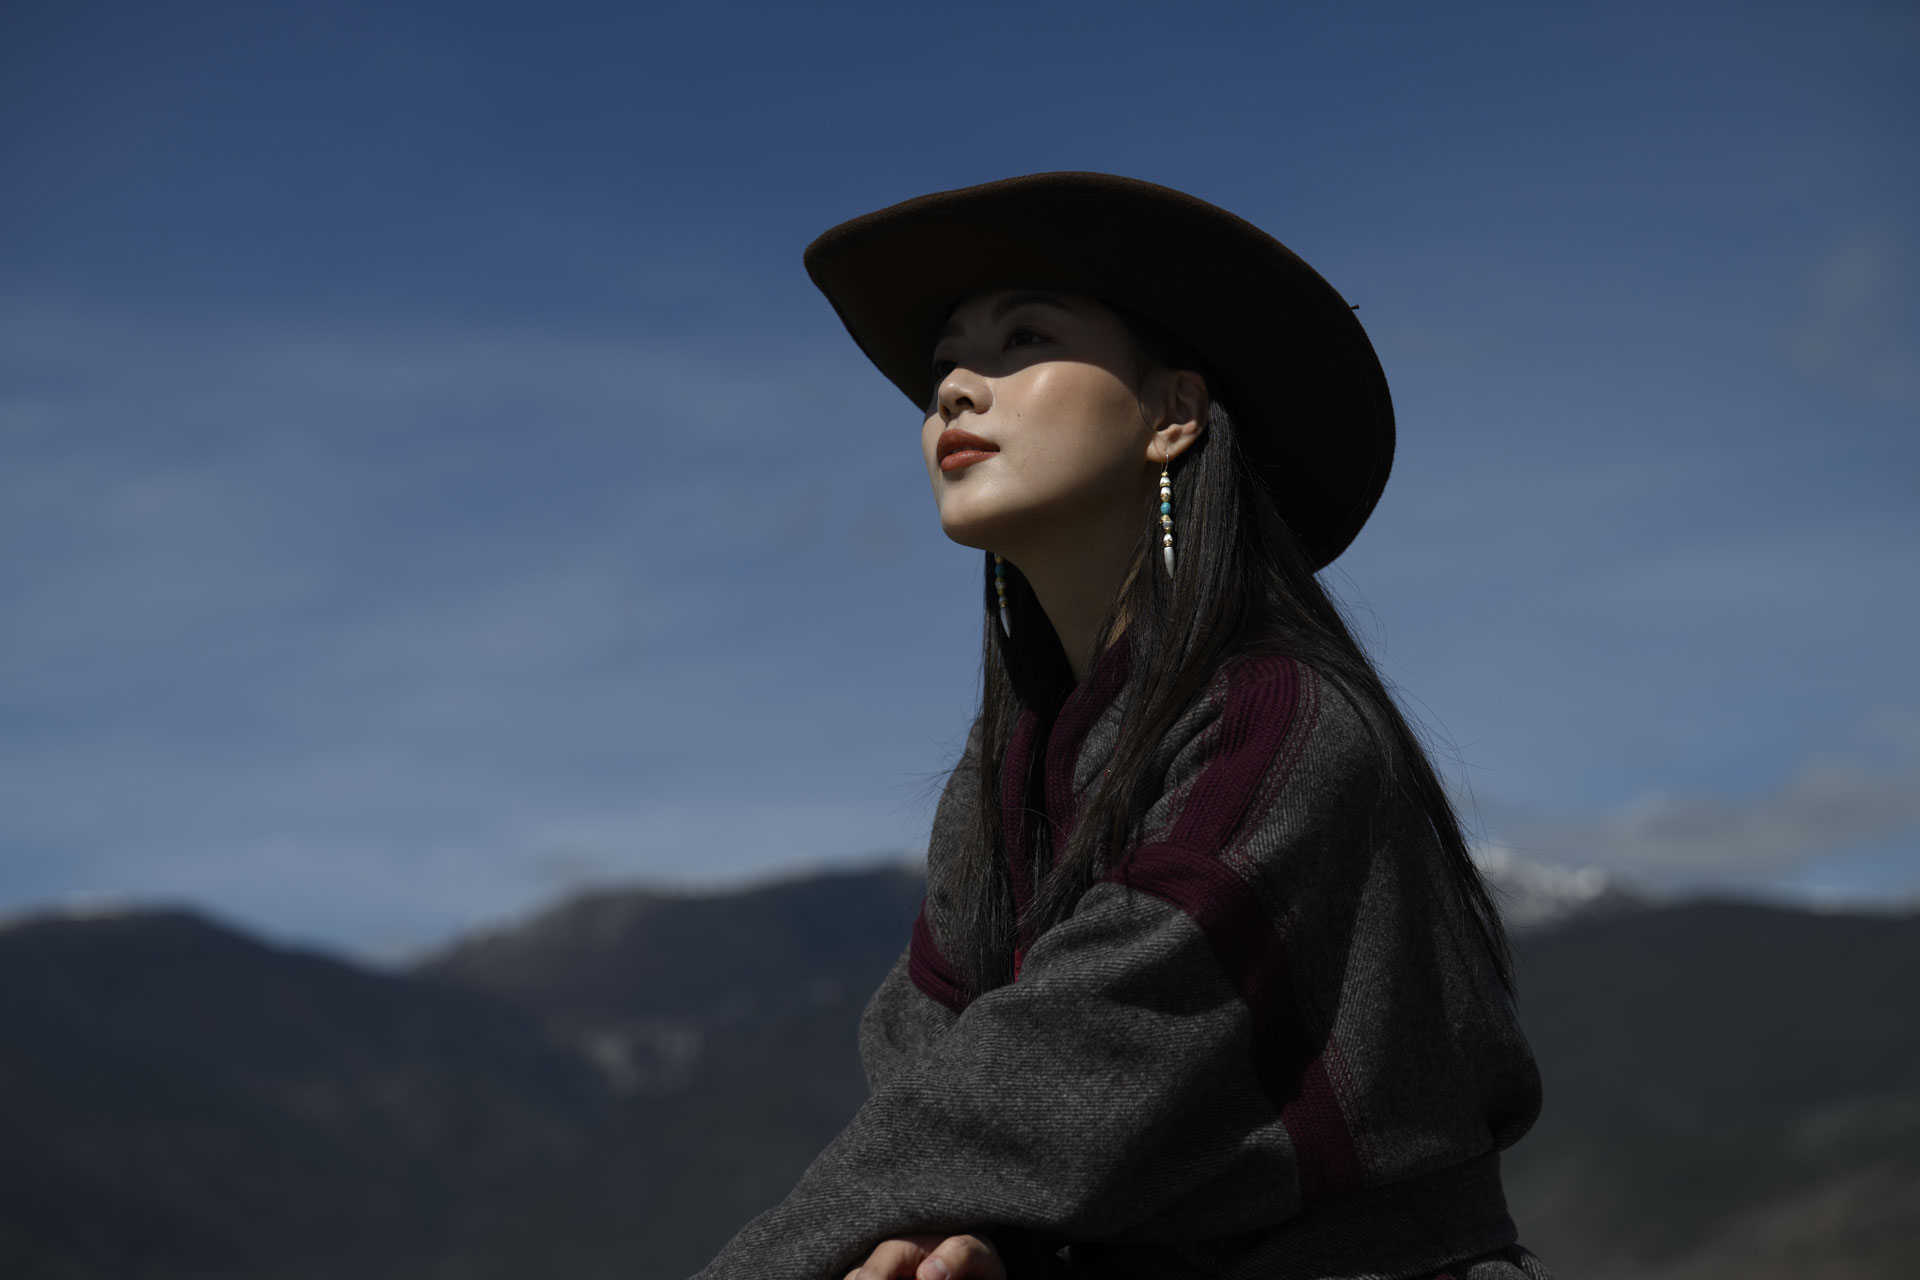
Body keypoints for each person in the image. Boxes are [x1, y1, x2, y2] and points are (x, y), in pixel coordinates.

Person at [692, 172, 1553, 1280]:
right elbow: (931, 1075)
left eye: (1023, 338)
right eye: (946, 361)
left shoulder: (1279, 719)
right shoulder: (1000, 778)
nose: (954, 385)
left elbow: (1067, 1061)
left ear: (1174, 412)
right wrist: (957, 1232)